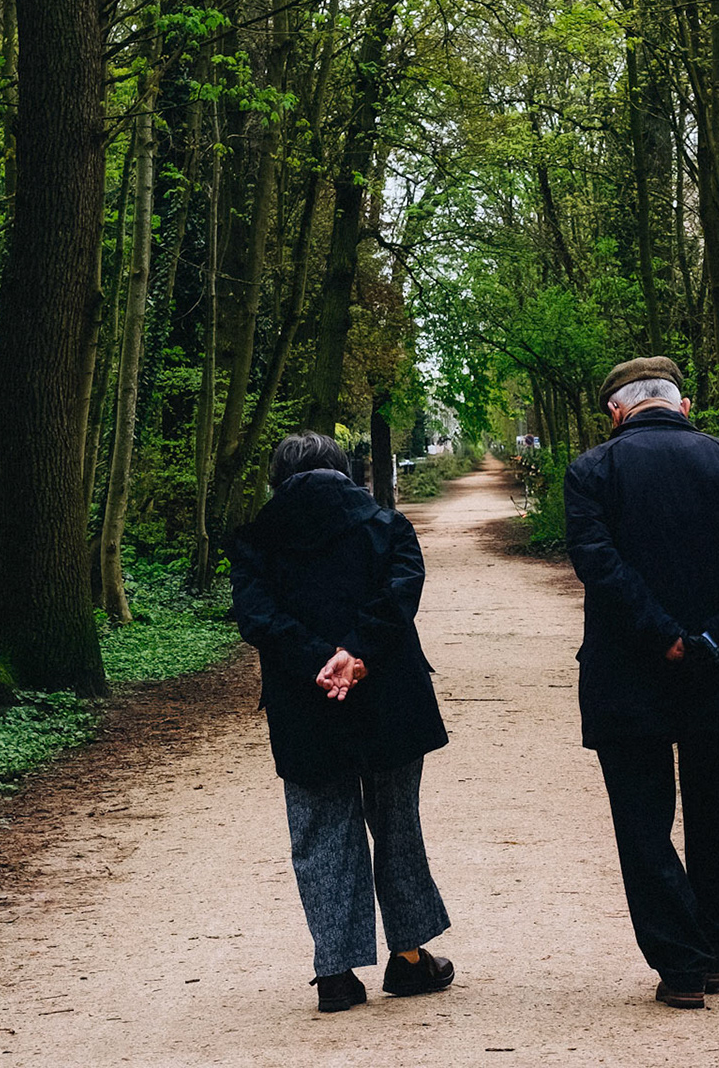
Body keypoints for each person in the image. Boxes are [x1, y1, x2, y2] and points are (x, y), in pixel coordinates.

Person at [564, 356, 719, 1010]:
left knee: (642, 819)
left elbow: (598, 566)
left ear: (616, 411)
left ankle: (682, 965)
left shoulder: (592, 473)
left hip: (628, 675)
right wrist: (716, 636)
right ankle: (713, 943)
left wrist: (663, 635)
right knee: (711, 802)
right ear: (684, 406)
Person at [228, 432, 456, 1013]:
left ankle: (336, 972)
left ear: (279, 479)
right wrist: (355, 655)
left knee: (320, 832)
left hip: (306, 706)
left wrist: (316, 661)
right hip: (389, 698)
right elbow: (400, 596)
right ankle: (408, 961)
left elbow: (258, 617)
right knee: (397, 824)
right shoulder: (387, 526)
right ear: (343, 471)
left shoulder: (256, 540)